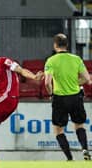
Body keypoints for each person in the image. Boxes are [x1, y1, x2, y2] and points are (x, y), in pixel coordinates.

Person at [44, 33, 91, 161]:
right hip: (76, 97)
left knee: (58, 130)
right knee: (79, 125)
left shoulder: (51, 60)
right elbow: (87, 79)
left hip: (60, 98)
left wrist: (51, 93)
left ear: (55, 45)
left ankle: (70, 158)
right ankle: (85, 149)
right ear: (67, 45)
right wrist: (75, 83)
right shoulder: (76, 59)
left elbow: (47, 82)